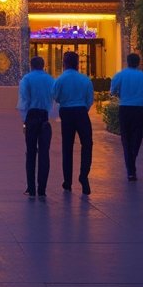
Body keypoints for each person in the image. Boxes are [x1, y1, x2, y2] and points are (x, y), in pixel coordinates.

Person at [52, 50, 93, 195]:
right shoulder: (85, 80)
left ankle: (67, 181)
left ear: (64, 64)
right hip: (82, 112)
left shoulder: (60, 80)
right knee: (87, 144)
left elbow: (55, 97)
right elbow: (89, 101)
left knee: (67, 147)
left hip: (67, 113)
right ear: (77, 64)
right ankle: (83, 175)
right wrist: (82, 109)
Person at [110, 53, 143, 182]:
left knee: (126, 137)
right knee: (137, 136)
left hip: (124, 108)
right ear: (138, 63)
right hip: (138, 109)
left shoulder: (120, 75)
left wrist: (119, 94)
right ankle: (132, 160)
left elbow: (112, 91)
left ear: (127, 62)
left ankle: (130, 167)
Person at [18, 56, 55, 198]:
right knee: (44, 153)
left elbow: (24, 101)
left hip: (32, 117)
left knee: (31, 152)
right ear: (43, 65)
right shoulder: (50, 80)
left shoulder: (26, 79)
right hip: (45, 117)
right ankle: (42, 189)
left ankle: (31, 188)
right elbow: (54, 100)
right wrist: (50, 116)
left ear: (31, 65)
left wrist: (24, 121)